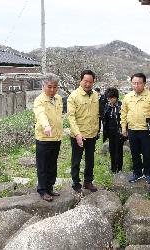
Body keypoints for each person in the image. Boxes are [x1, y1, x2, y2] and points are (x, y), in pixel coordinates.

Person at [120, 73, 150, 184]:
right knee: (135, 153)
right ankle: (137, 173)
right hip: (132, 130)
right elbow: (123, 113)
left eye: (139, 83)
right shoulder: (127, 97)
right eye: (134, 83)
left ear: (144, 84)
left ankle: (148, 173)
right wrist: (123, 128)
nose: (136, 85)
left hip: (146, 130)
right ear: (131, 83)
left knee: (147, 153)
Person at [67, 69, 100, 193]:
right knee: (76, 160)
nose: (87, 84)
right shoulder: (73, 96)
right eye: (85, 81)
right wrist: (77, 134)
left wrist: (97, 130)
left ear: (93, 82)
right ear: (80, 80)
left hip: (92, 134)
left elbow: (97, 114)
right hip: (78, 135)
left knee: (90, 160)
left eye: (90, 82)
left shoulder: (95, 95)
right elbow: (71, 117)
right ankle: (76, 183)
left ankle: (88, 181)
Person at [33, 73, 63, 202]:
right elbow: (40, 114)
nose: (52, 90)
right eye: (49, 87)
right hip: (44, 138)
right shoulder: (39, 100)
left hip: (56, 137)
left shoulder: (58, 99)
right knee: (43, 166)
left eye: (55, 87)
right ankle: (42, 190)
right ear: (43, 86)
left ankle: (50, 187)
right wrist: (46, 126)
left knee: (52, 165)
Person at [101, 87, 124, 173]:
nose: (110, 100)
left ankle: (119, 168)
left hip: (119, 131)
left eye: (112, 98)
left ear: (116, 97)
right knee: (112, 149)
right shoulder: (107, 106)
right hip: (110, 131)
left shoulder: (121, 105)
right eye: (108, 98)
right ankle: (113, 168)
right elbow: (105, 119)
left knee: (119, 150)